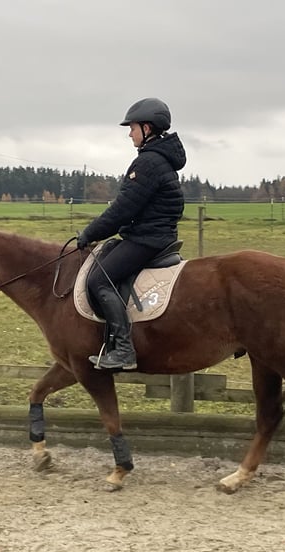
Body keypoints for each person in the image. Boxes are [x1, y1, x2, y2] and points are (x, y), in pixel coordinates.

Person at [77, 97, 187, 370]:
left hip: (148, 239)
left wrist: (89, 233)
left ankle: (124, 349)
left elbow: (122, 209)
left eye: (133, 127)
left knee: (99, 280)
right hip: (153, 234)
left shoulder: (148, 163)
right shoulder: (159, 160)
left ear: (147, 128)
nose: (129, 133)